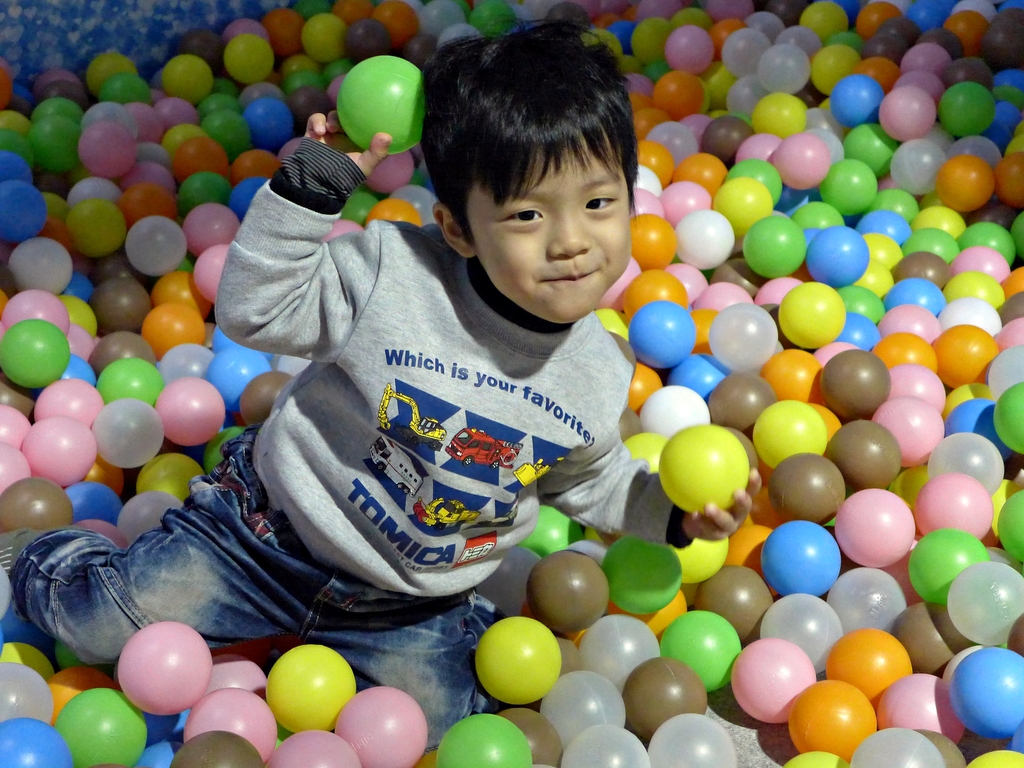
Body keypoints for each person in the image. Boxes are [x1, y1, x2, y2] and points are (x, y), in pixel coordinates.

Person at [5, 22, 758, 747]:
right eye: (527, 214)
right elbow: (255, 309)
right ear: (458, 228)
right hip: (266, 538)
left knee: (445, 728)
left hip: (406, 607)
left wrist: (678, 517)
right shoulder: (394, 274)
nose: (571, 241)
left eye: (600, 203)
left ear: (632, 194)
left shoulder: (597, 370)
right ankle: (43, 556)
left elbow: (590, 477)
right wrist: (314, 184)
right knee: (101, 622)